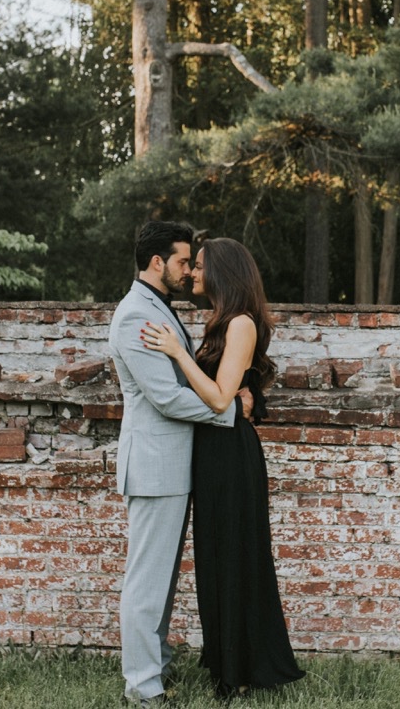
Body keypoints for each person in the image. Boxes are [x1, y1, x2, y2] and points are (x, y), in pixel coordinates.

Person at [140, 236, 306, 698]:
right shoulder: (219, 324)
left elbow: (216, 399)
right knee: (216, 561)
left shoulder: (241, 325)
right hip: (211, 455)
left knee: (236, 560)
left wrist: (176, 353)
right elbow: (225, 393)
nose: (191, 272)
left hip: (232, 455)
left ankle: (243, 672)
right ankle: (226, 665)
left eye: (198, 265)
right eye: (188, 264)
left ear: (223, 272)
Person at [108, 221, 247, 708]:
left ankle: (157, 668)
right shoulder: (134, 316)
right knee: (146, 582)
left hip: (171, 465)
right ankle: (144, 690)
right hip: (153, 466)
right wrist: (229, 411)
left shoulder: (157, 308)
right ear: (157, 263)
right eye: (184, 261)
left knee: (161, 581)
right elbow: (166, 398)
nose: (190, 271)